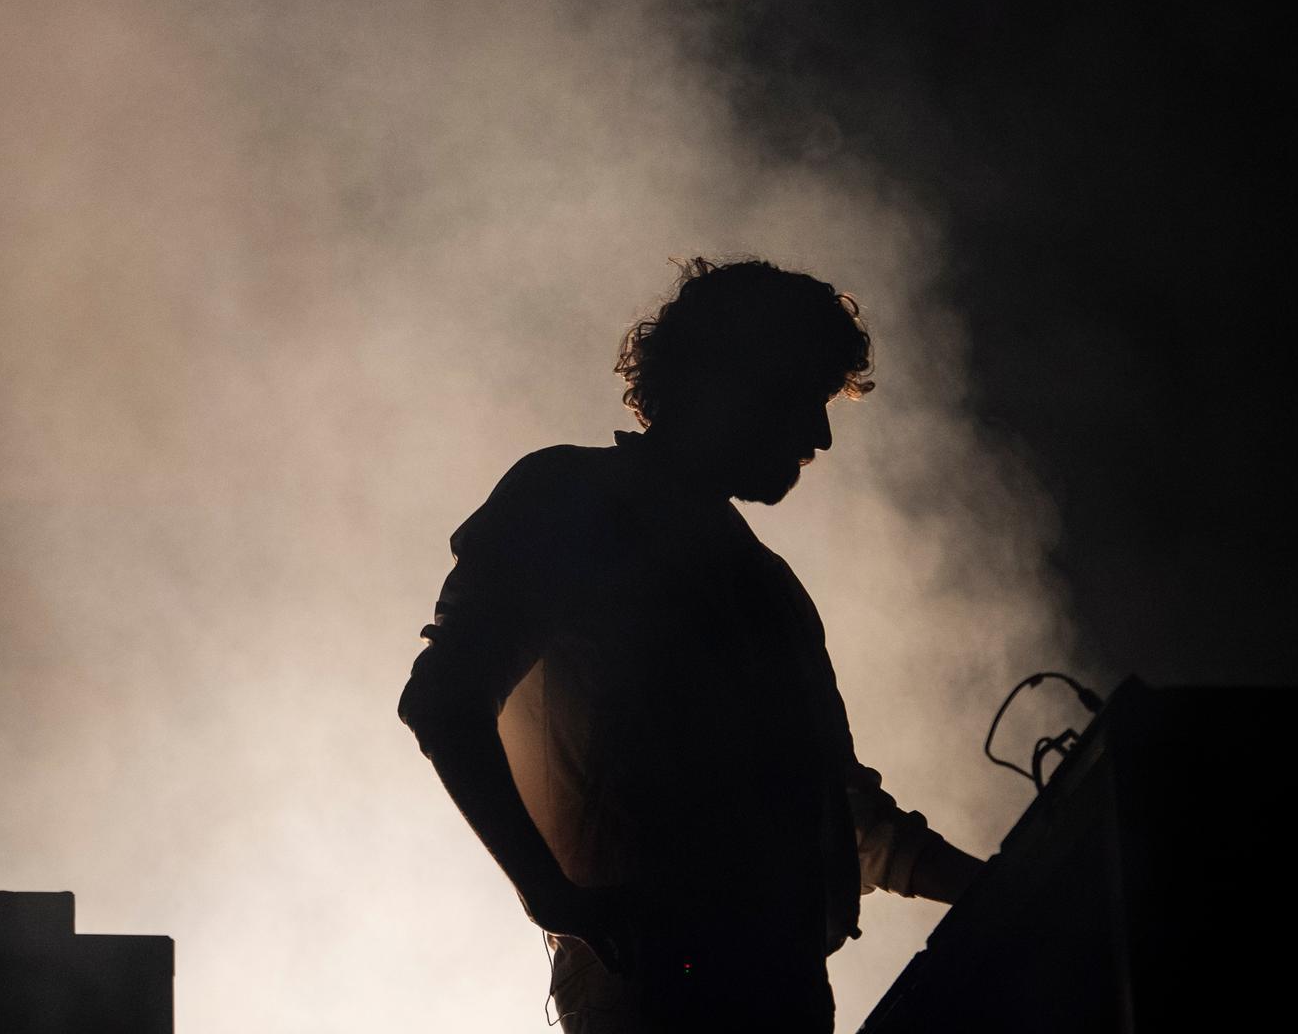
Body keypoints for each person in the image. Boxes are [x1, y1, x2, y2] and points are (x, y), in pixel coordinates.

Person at [398, 258, 985, 1032]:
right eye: (801, 397)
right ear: (724, 382)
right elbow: (444, 700)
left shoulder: (767, 588)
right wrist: (550, 894)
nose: (821, 433)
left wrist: (1008, 884)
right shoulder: (574, 501)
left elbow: (840, 816)